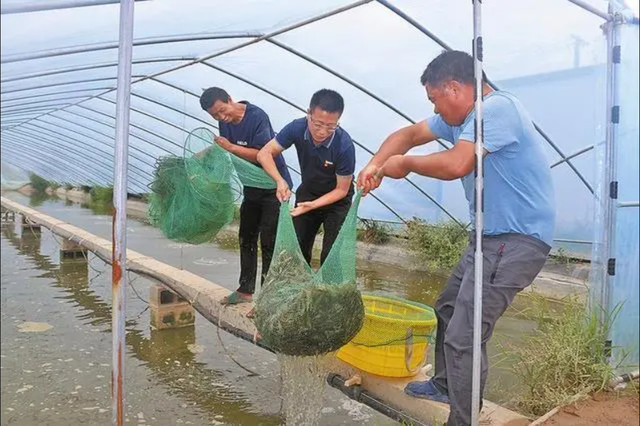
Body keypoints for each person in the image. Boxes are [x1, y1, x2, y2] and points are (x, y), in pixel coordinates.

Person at [357, 51, 556, 426]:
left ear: (454, 87)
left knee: (465, 334)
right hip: (487, 238)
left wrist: (406, 165)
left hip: (516, 241)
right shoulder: (463, 119)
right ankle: (446, 385)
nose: (434, 107)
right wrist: (375, 164)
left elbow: (455, 164)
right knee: (448, 307)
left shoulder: (495, 109)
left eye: (435, 99)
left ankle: (462, 420)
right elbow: (409, 134)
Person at [199, 87, 293, 307]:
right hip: (251, 186)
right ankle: (245, 290)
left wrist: (230, 147)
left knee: (269, 242)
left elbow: (263, 154)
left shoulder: (257, 117)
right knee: (246, 237)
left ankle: (267, 298)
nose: (222, 117)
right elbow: (224, 149)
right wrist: (204, 156)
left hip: (274, 187)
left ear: (230, 100)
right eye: (215, 116)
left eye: (223, 110)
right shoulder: (225, 122)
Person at [257, 89, 356, 266]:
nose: (323, 131)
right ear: (308, 113)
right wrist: (280, 180)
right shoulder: (297, 127)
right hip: (309, 192)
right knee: (297, 250)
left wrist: (315, 205)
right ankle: (299, 290)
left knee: (332, 256)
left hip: (337, 200)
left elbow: (342, 189)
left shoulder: (344, 146)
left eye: (331, 126)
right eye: (318, 124)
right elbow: (264, 153)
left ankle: (328, 291)